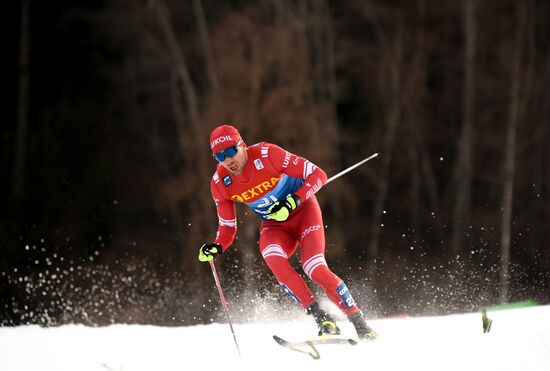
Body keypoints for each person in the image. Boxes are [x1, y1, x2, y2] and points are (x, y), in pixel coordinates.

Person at [198, 124, 376, 340]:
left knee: (314, 268)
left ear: (242, 145)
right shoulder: (220, 183)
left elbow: (317, 175)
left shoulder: (268, 155)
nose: (228, 160)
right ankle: (323, 320)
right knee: (272, 256)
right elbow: (227, 226)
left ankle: (359, 323)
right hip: (275, 225)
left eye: (230, 151)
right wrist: (217, 246)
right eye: (219, 156)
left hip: (304, 213)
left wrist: (293, 201)